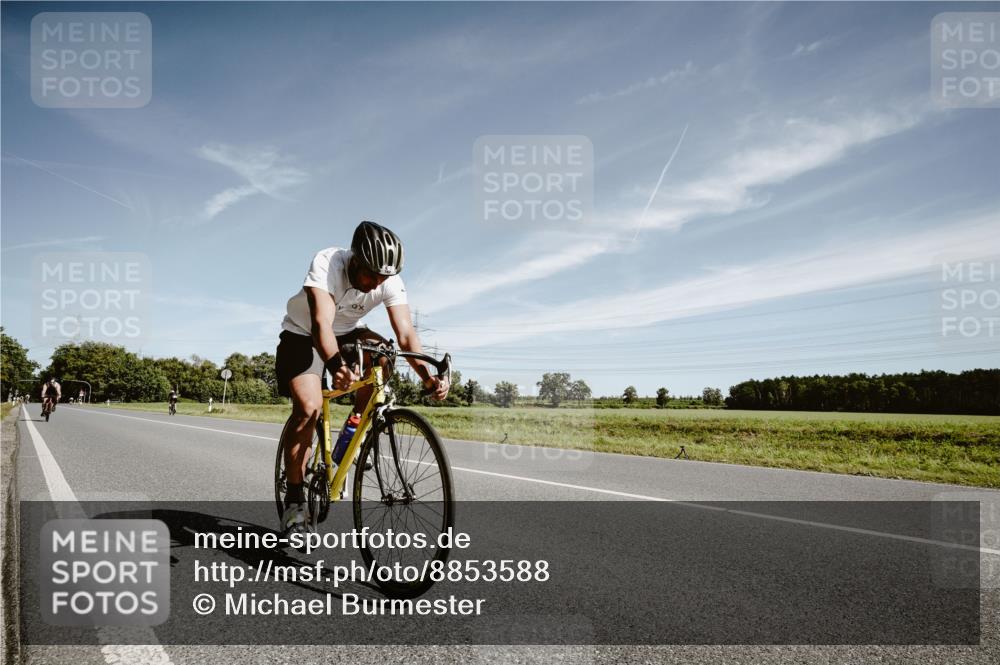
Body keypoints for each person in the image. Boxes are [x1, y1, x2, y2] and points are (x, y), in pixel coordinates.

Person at [275, 220, 449, 536]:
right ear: (355, 260)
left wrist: (428, 378)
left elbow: (406, 334)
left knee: (386, 356)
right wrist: (337, 366)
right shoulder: (328, 263)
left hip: (347, 333)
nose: (376, 283)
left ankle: (350, 436)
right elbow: (321, 325)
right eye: (371, 274)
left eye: (383, 277)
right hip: (303, 334)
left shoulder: (387, 279)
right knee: (309, 408)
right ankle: (295, 501)